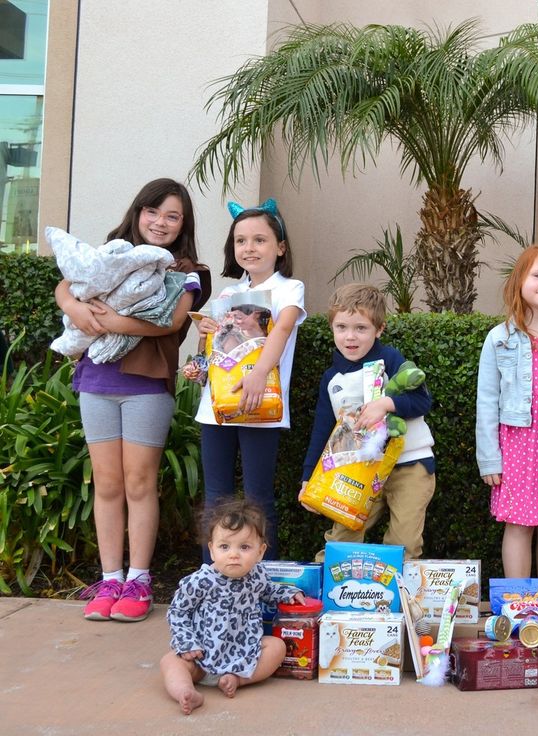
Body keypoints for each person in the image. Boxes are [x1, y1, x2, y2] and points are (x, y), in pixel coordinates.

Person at [56, 178, 210, 622]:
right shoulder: (112, 254)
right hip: (95, 380)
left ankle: (139, 579)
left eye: (172, 215)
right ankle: (110, 579)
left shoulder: (189, 271)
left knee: (139, 483)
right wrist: (75, 308)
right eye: (152, 211)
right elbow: (66, 285)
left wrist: (107, 320)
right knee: (106, 484)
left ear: (183, 224)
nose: (160, 222)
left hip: (147, 385)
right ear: (137, 212)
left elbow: (168, 324)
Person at [195, 199, 305, 561]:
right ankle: (213, 580)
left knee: (258, 498)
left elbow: (283, 328)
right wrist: (200, 356)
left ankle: (262, 582)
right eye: (241, 240)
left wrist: (259, 375)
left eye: (259, 239)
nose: (249, 248)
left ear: (281, 246)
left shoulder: (290, 289)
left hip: (262, 404)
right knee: (216, 498)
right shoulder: (226, 294)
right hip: (217, 409)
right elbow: (214, 348)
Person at [299, 284, 435, 559]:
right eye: (342, 327)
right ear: (332, 328)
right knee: (343, 536)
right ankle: (334, 593)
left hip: (409, 465)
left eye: (361, 328)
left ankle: (400, 598)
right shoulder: (331, 379)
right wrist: (307, 480)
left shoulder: (390, 359)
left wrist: (386, 404)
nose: (350, 337)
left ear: (379, 329)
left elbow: (423, 401)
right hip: (357, 471)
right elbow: (323, 430)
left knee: (404, 540)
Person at [476, 244, 538, 578]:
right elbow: (487, 401)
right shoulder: (500, 338)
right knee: (519, 523)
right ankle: (518, 604)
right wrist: (490, 458)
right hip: (519, 442)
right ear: (520, 280)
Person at [160, 500, 303, 715]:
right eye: (224, 547)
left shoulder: (257, 575)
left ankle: (238, 679)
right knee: (170, 661)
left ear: (260, 552)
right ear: (212, 549)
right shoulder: (201, 580)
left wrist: (289, 593)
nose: (233, 554)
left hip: (246, 655)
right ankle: (185, 691)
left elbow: (269, 592)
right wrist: (186, 642)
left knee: (277, 647)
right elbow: (178, 611)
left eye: (244, 547)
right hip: (201, 658)